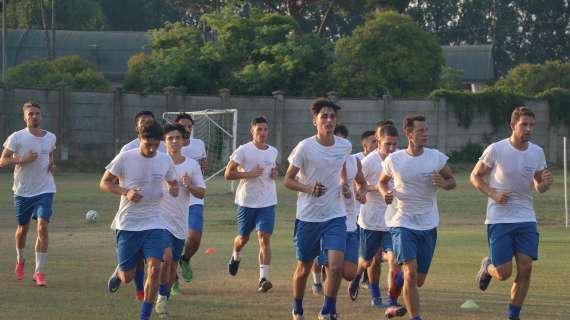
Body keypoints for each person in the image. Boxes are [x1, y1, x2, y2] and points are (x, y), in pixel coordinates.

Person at [471, 107, 553, 320]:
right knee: (503, 273)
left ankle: (513, 315)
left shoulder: (537, 152)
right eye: (524, 125)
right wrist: (493, 194)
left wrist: (545, 184)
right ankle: (488, 266)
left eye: (531, 125)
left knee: (525, 268)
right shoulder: (496, 149)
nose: (528, 129)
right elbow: (475, 176)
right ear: (512, 125)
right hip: (499, 218)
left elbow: (538, 186)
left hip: (526, 217)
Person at [378, 115, 456, 320]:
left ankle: (394, 288)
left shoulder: (436, 157)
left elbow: (452, 181)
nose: (425, 134)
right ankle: (416, 317)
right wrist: (384, 193)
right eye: (421, 131)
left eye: (426, 130)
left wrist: (442, 183)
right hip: (402, 221)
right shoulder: (394, 159)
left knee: (418, 279)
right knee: (411, 273)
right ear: (409, 133)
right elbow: (382, 182)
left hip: (428, 224)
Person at [100, 121, 179, 320]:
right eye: (148, 144)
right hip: (128, 224)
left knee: (155, 268)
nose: (152, 149)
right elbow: (104, 183)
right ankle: (119, 273)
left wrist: (174, 188)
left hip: (154, 222)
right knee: (128, 276)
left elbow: (172, 180)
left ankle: (144, 316)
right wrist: (126, 191)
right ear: (140, 139)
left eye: (155, 144)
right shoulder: (125, 158)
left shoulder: (164, 159)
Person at [284, 98, 353, 320]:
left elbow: (341, 165)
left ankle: (327, 309)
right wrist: (308, 188)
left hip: (335, 215)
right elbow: (287, 180)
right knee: (304, 268)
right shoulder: (304, 147)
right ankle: (297, 307)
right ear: (315, 121)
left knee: (335, 266)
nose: (329, 120)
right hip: (308, 217)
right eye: (324, 116)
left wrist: (343, 183)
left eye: (332, 116)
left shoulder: (345, 145)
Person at [348, 123, 405, 316]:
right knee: (368, 261)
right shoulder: (368, 162)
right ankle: (358, 277)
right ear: (378, 141)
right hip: (371, 220)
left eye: (395, 145)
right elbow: (358, 186)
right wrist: (374, 189)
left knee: (394, 261)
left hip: (393, 220)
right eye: (388, 144)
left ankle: (391, 301)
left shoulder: (399, 158)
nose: (391, 149)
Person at [0, 102, 57, 287]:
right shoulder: (16, 137)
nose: (34, 116)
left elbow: (49, 156)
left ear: (41, 116)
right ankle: (21, 259)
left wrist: (51, 165)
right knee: (22, 230)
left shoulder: (51, 137)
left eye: (37, 113)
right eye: (30, 114)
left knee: (42, 227)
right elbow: (2, 161)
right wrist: (23, 159)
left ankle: (39, 272)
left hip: (45, 189)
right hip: (23, 191)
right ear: (25, 118)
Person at [155, 124, 205, 316]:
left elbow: (202, 192)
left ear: (184, 140)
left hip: (179, 222)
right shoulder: (157, 162)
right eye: (170, 138)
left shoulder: (191, 165)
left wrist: (189, 185)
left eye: (178, 138)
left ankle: (163, 296)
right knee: (165, 259)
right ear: (164, 141)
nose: (174, 141)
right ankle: (159, 295)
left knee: (172, 263)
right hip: (158, 220)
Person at [311, 125, 367, 296]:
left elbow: (362, 183)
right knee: (332, 267)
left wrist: (360, 193)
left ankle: (323, 268)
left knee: (349, 273)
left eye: (342, 141)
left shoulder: (353, 161)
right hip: (328, 220)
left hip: (350, 220)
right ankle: (324, 297)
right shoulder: (319, 160)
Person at [224, 116, 279, 292]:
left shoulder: (273, 151)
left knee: (264, 238)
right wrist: (249, 174)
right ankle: (236, 255)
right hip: (246, 202)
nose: (263, 133)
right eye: (259, 130)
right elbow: (228, 174)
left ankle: (263, 279)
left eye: (265, 130)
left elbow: (273, 169)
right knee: (243, 238)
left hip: (268, 202)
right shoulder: (243, 150)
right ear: (252, 131)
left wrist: (274, 173)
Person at [175, 113, 208, 283]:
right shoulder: (166, 147)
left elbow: (203, 162)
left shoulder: (199, 144)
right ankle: (171, 280)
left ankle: (185, 259)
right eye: (183, 126)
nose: (187, 130)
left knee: (194, 238)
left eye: (189, 126)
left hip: (194, 196)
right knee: (173, 240)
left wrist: (203, 166)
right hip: (172, 198)